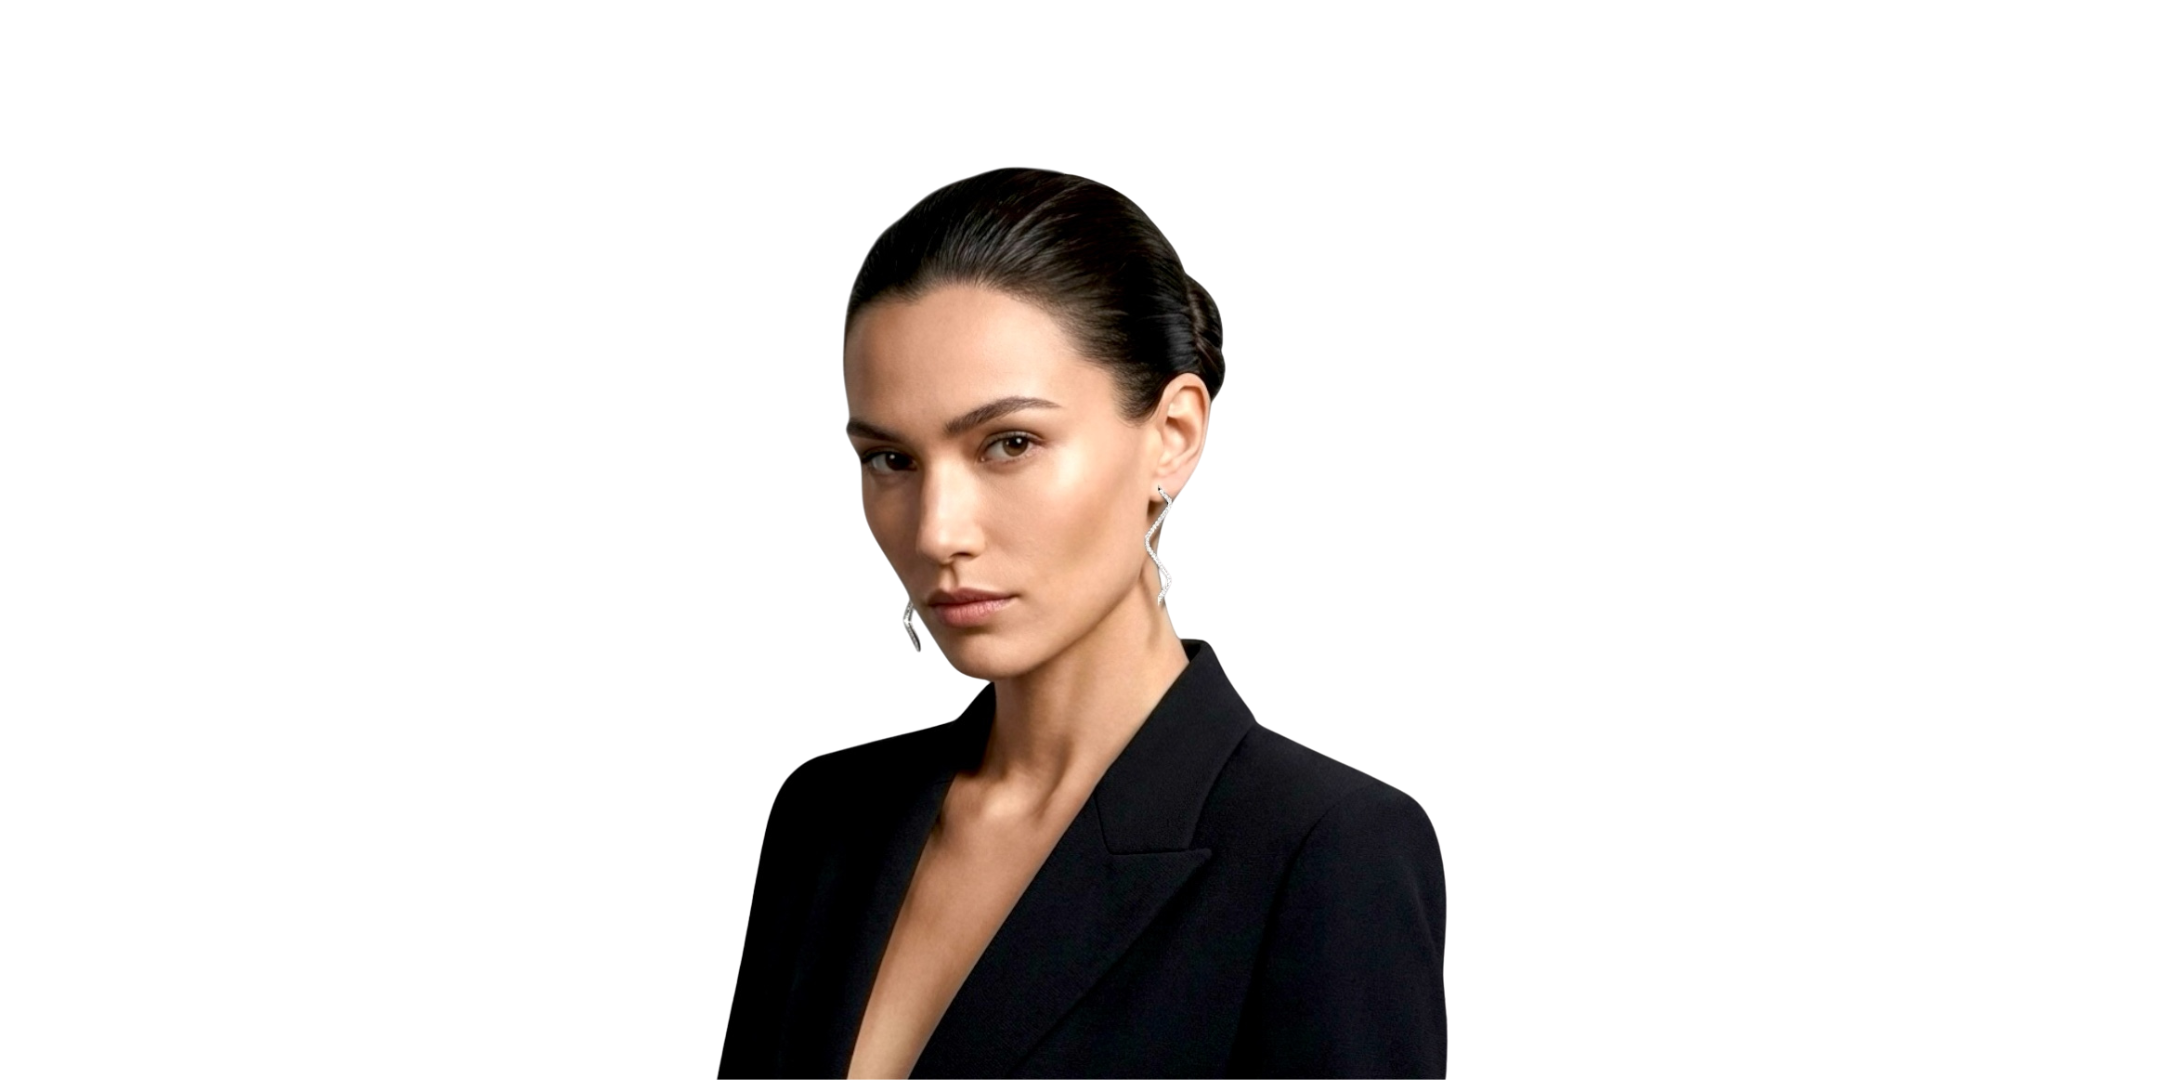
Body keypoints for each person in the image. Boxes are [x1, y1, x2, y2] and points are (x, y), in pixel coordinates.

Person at [716, 167, 1446, 1078]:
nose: (938, 531)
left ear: (1173, 434)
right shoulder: (827, 820)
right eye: (892, 459)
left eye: (1009, 443)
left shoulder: (1324, 851)